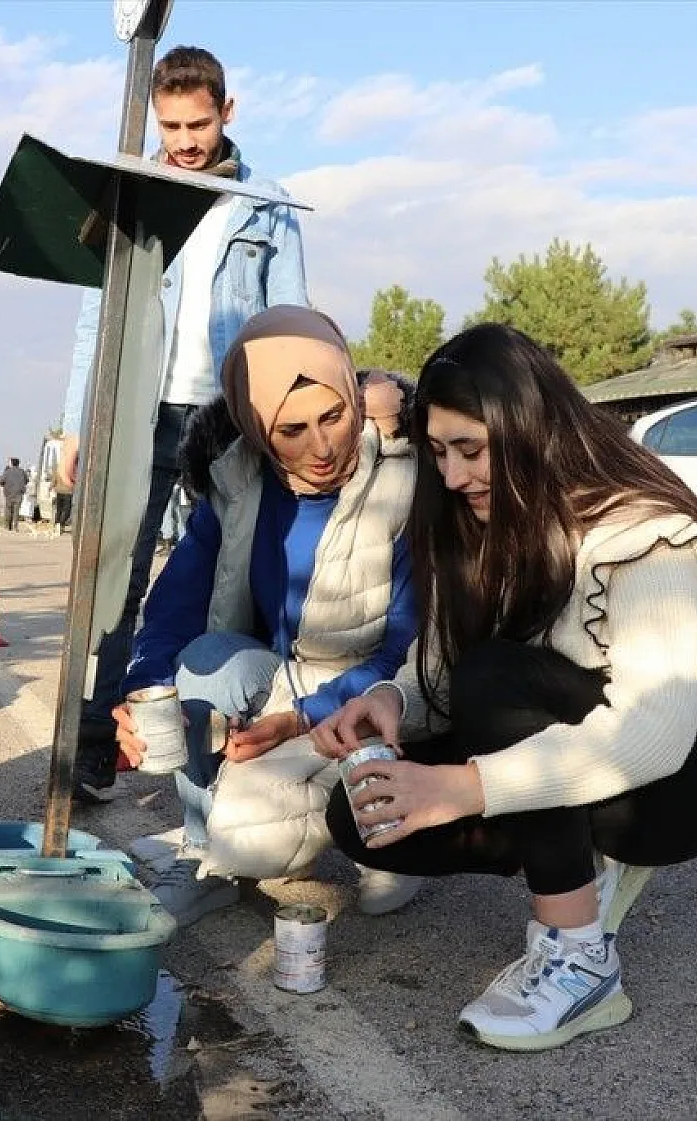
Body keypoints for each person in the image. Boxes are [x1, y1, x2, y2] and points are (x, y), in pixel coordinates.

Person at [314, 324, 697, 1052]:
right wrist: (392, 702)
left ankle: (581, 959)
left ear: (530, 428)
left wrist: (462, 787)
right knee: (363, 816)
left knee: (496, 676)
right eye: (438, 452)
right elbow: (443, 660)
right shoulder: (485, 517)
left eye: (470, 449)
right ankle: (572, 853)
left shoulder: (644, 533)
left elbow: (651, 734)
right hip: (574, 740)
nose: (452, 476)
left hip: (686, 781)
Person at [111, 306, 421, 926]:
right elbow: (173, 609)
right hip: (283, 678)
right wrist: (141, 691)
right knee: (203, 664)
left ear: (354, 397)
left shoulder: (406, 486)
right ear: (255, 428)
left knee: (381, 884)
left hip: (384, 692)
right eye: (291, 430)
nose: (321, 447)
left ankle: (391, 832)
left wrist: (300, 718)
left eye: (332, 416)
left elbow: (406, 649)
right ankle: (207, 853)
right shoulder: (235, 485)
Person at [57, 45, 308, 800]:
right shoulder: (132, 196)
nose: (186, 141)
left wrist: (289, 424)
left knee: (233, 581)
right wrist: (77, 423)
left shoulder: (267, 205)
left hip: (230, 423)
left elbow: (290, 317)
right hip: (139, 414)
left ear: (226, 112)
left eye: (198, 124)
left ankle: (221, 751)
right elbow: (96, 317)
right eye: (170, 126)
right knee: (115, 581)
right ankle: (96, 745)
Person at [0, 457, 30, 533]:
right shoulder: (22, 471)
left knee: (8, 510)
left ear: (11, 463)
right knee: (16, 511)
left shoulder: (7, 471)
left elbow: (1, 480)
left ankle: (8, 527)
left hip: (9, 494)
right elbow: (26, 480)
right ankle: (15, 527)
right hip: (19, 494)